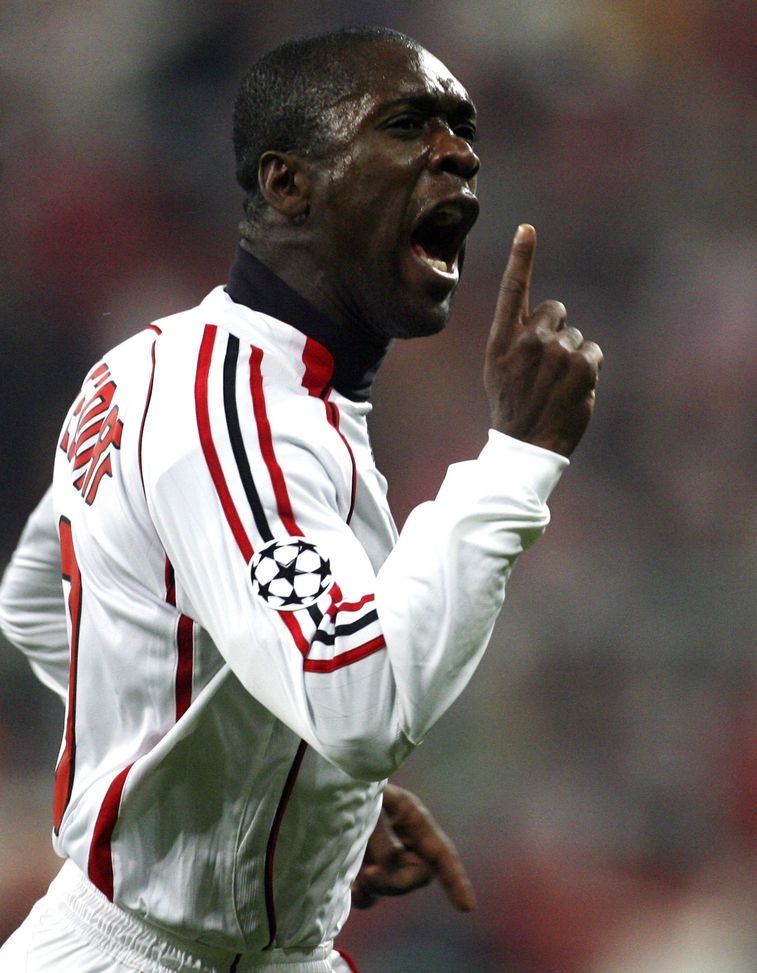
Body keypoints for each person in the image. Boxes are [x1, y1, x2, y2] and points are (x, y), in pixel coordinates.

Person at [0, 26, 602, 973]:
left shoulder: (159, 365)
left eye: (463, 129)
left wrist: (273, 776)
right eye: (408, 125)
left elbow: (37, 599)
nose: (458, 153)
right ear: (287, 184)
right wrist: (515, 460)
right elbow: (360, 709)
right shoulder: (232, 410)